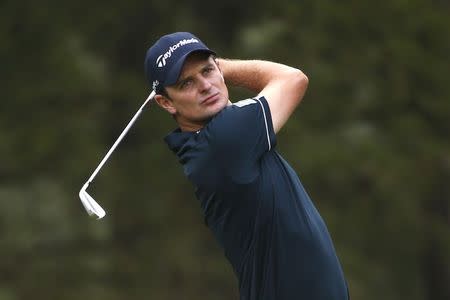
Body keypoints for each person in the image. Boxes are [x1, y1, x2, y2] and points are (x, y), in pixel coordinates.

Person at [144, 32, 349, 300]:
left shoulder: (209, 142)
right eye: (186, 83)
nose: (205, 85)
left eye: (207, 70)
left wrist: (214, 71)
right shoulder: (225, 140)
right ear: (166, 102)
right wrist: (223, 68)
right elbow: (292, 79)